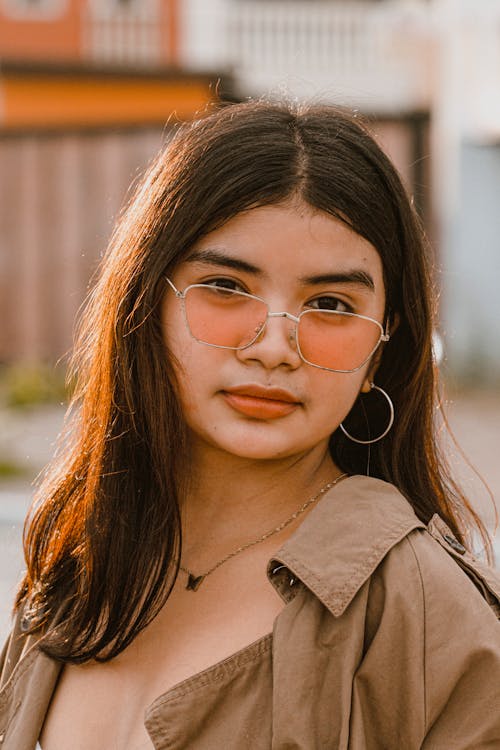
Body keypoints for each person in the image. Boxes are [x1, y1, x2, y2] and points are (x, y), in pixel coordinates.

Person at [1, 100, 499, 750]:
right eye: (227, 288)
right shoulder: (78, 559)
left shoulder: (427, 615)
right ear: (146, 302)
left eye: (330, 303)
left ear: (382, 345)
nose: (273, 347)